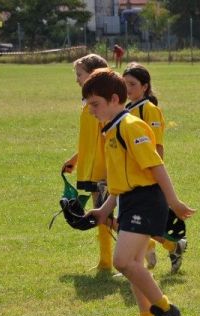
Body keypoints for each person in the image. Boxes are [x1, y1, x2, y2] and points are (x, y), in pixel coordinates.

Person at [82, 68, 195, 316]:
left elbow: (156, 165)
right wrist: (105, 209)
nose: (91, 110)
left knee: (124, 262)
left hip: (146, 200)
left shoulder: (131, 127)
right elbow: (120, 183)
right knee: (133, 265)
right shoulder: (111, 129)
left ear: (114, 99)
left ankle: (166, 310)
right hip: (131, 200)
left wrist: (173, 201)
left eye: (95, 104)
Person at [123, 62, 188, 273]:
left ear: (145, 86)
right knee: (129, 220)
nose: (128, 89)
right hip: (128, 176)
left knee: (137, 221)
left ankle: (160, 249)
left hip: (146, 176)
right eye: (124, 84)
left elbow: (157, 147)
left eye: (132, 84)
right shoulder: (125, 110)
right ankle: (163, 248)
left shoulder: (149, 110)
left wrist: (154, 177)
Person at [61, 53, 113, 272]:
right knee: (102, 214)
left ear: (94, 75)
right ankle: (105, 261)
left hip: (104, 170)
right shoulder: (88, 105)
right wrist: (75, 159)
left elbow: (110, 139)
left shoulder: (104, 106)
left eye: (79, 74)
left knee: (106, 215)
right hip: (91, 169)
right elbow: (89, 141)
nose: (77, 79)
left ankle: (162, 243)